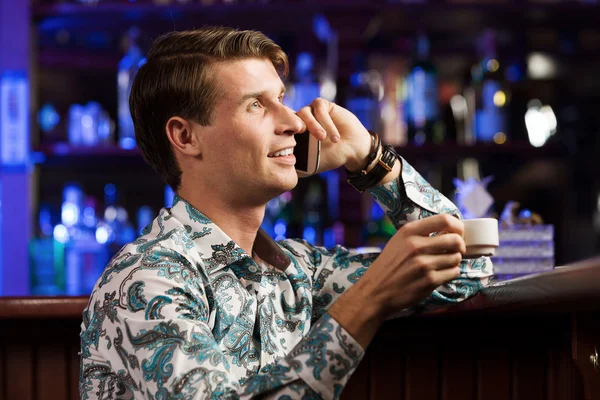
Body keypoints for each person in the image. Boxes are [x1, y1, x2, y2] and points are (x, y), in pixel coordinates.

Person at [80, 27, 493, 399]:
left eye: (281, 98)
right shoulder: (146, 279)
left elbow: (467, 267)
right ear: (186, 136)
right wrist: (369, 301)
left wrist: (369, 158)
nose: (294, 122)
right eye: (256, 105)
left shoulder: (296, 270)